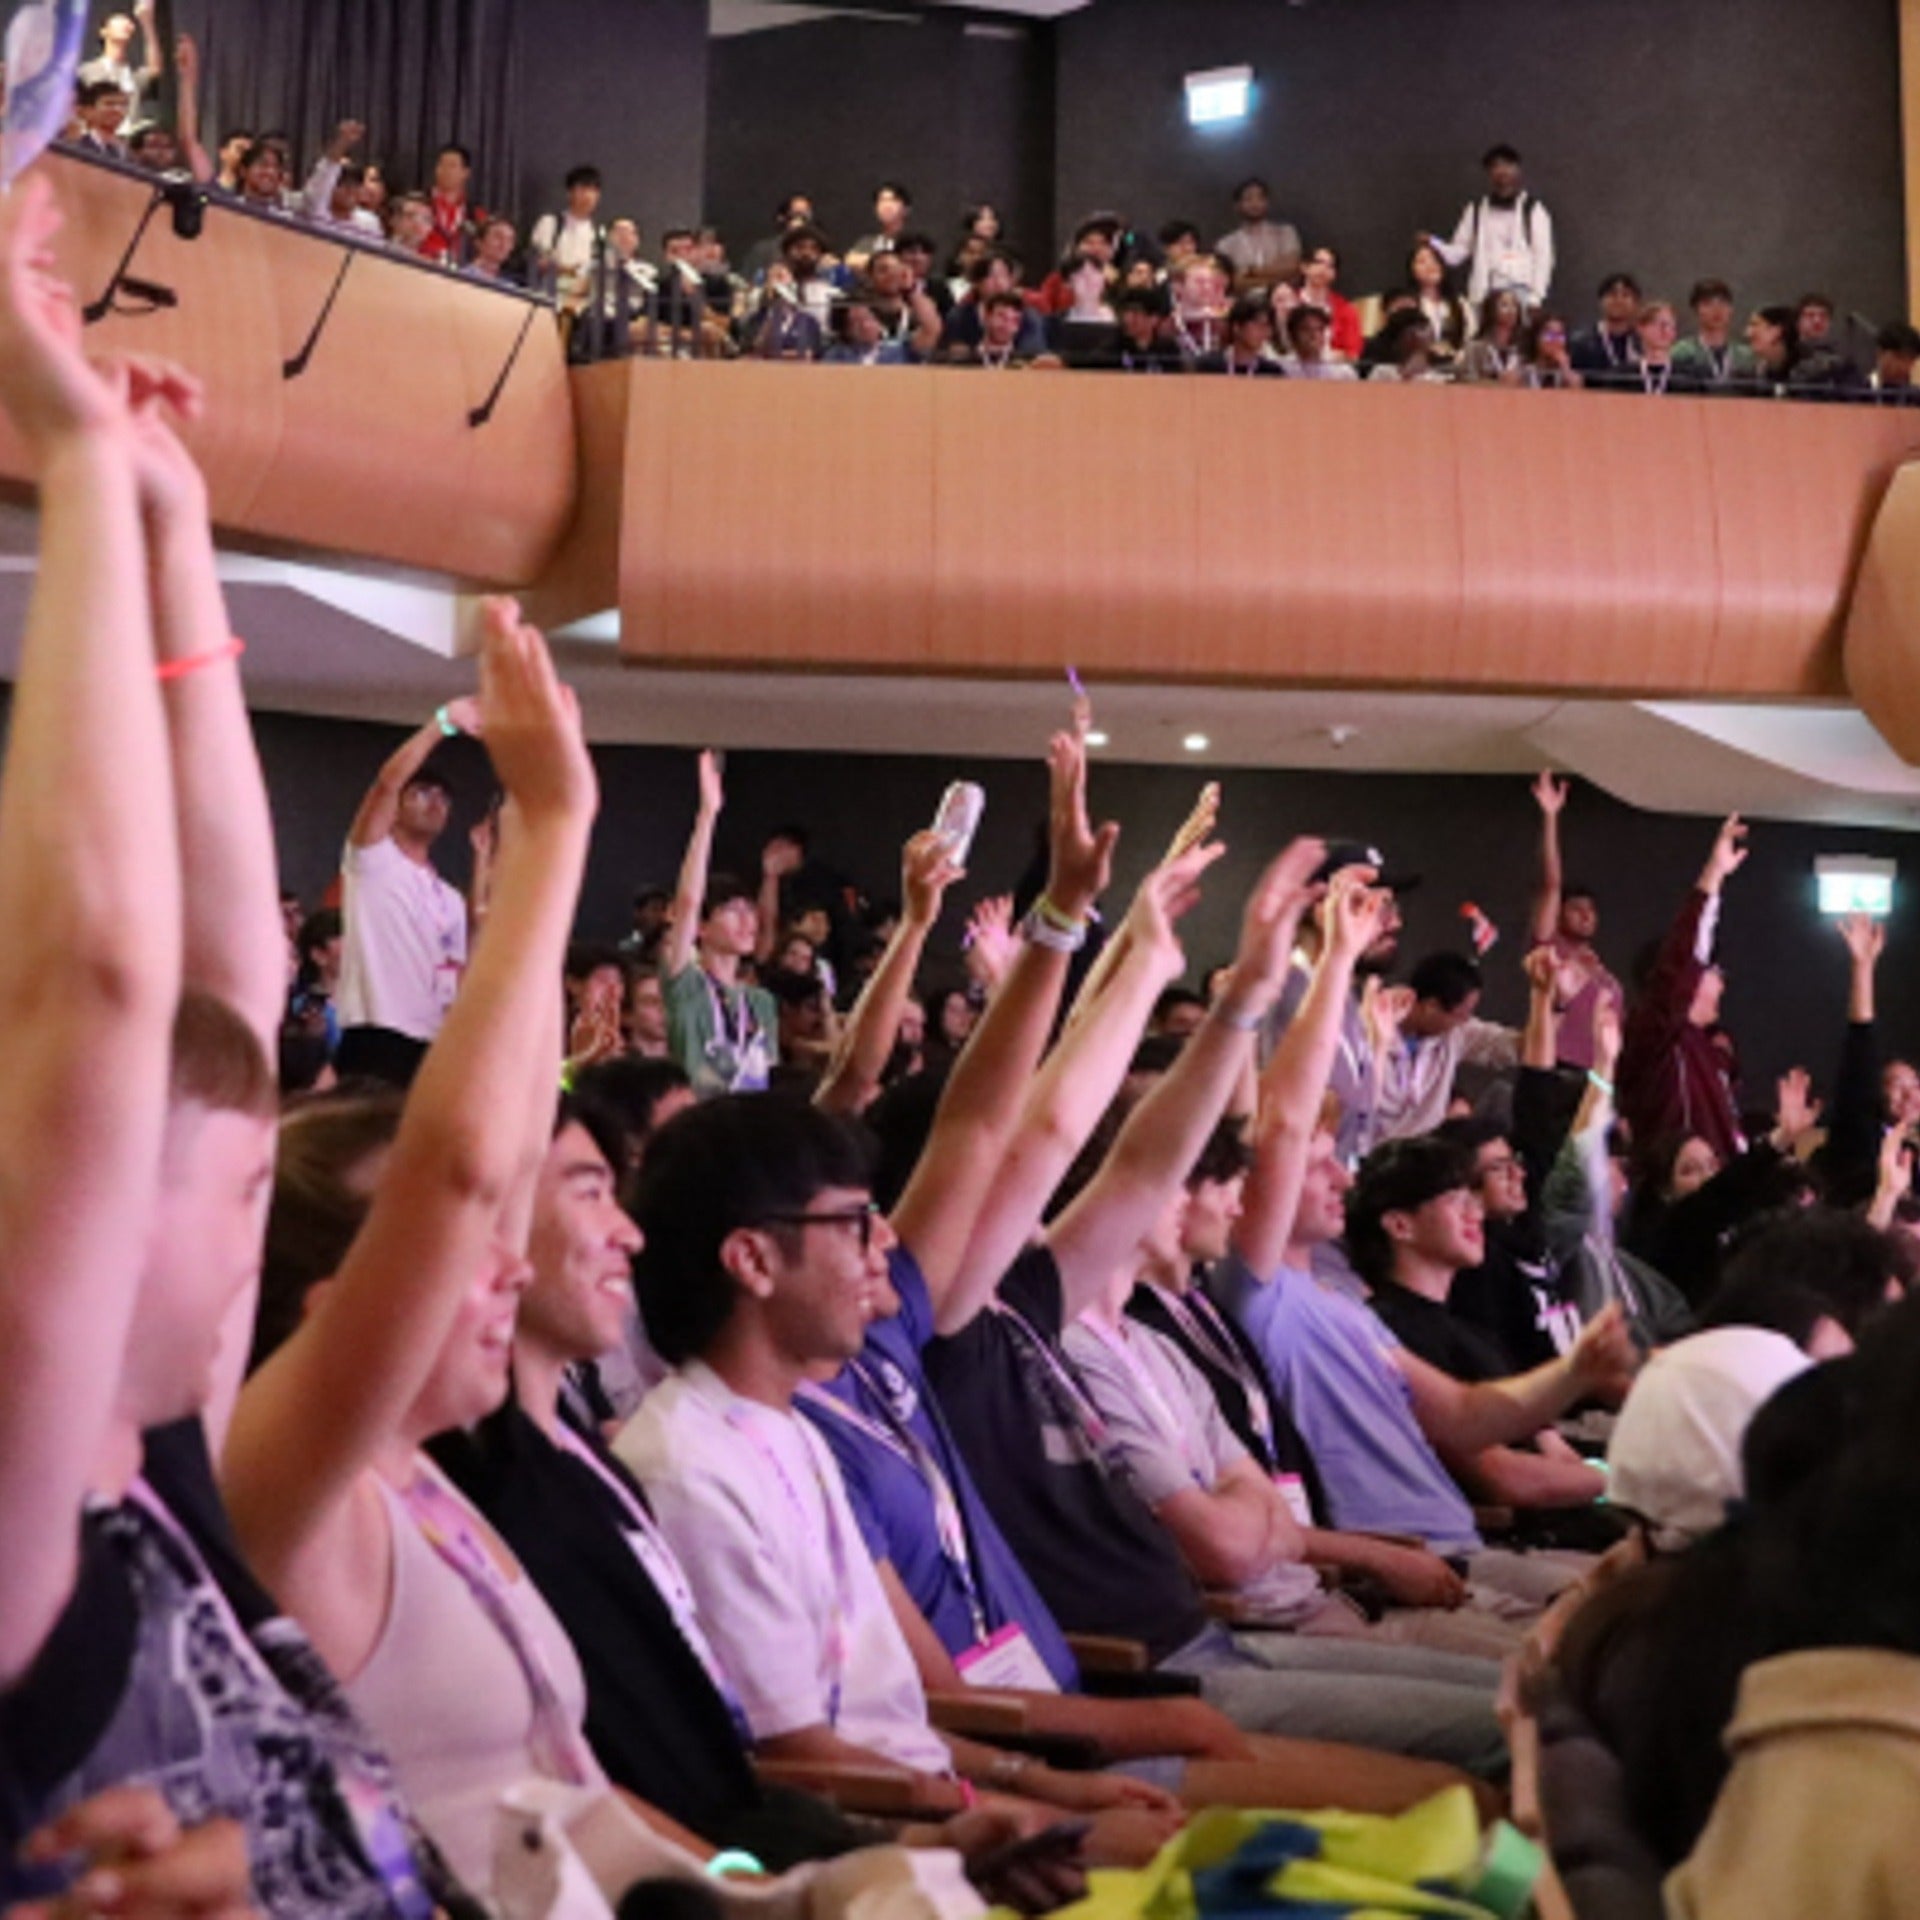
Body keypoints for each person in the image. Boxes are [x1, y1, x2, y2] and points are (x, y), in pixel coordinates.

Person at [0, 174, 471, 1917]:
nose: (253, 1218)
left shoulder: (155, 1470)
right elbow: (103, 991)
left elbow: (219, 957)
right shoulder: (21, 1531)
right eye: (224, 1183)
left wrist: (170, 531)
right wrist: (71, 480)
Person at [1214, 867, 1637, 1597]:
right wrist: (1337, 958)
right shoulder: (1258, 1291)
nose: (1344, 1176)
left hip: (1462, 1551)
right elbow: (1282, 1127)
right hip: (1405, 1569)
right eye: (1324, 1167)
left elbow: (1468, 1416)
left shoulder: (1346, 1305)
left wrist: (1576, 1373)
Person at [1347, 1136, 1614, 1525]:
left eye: (1473, 1199)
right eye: (1455, 1201)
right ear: (1400, 1225)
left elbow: (1548, 1449)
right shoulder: (1391, 1333)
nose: (1475, 1213)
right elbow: (1497, 1476)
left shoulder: (1467, 1329)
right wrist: (1623, 1478)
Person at [334, 705, 475, 1086]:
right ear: (395, 808)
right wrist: (441, 724)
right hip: (377, 1033)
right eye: (423, 793)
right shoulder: (373, 859)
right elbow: (386, 783)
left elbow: (455, 974)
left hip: (432, 1043)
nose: (435, 803)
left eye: (444, 799)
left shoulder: (451, 898)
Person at [1617, 813, 1749, 1172]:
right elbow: (1681, 959)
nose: (1721, 982)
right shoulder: (1655, 1040)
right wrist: (1713, 876)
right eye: (1713, 971)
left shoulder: (1707, 1049)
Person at [659, 750, 778, 1097]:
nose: (747, 920)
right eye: (731, 910)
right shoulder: (687, 986)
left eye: (749, 909)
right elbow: (688, 901)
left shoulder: (761, 1003)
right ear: (701, 927)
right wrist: (708, 816)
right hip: (697, 1124)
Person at [1527, 770, 1622, 1073]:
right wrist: (1551, 817)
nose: (1585, 915)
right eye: (1576, 908)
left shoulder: (1597, 966)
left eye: (1590, 910)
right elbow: (1552, 883)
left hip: (1598, 1074)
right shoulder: (1550, 947)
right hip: (1558, 1068)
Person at [1370, 950, 1518, 1145]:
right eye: (1461, 1015)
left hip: (1424, 1157)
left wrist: (1550, 1002)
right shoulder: (1367, 1029)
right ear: (1431, 1006)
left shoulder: (1455, 1033)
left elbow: (1511, 1046)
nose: (1465, 1021)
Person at [1424, 144, 1554, 310]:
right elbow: (1457, 253)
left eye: (1507, 166)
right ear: (1489, 174)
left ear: (1518, 171)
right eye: (1496, 167)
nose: (1502, 173)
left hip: (1521, 295)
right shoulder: (1476, 210)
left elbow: (1544, 257)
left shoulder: (1534, 210)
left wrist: (1536, 298)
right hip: (1484, 295)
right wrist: (1433, 242)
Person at [529, 165, 606, 313]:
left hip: (584, 306)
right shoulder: (550, 223)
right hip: (550, 300)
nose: (588, 196)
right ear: (569, 193)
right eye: (583, 189)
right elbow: (538, 261)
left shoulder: (599, 233)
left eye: (594, 191)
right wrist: (567, 270)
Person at [77, 0, 162, 131]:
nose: (126, 25)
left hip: (124, 145)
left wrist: (146, 22)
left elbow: (155, 70)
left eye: (128, 22)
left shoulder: (133, 75)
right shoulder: (86, 72)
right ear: (103, 31)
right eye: (119, 21)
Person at [1671, 279, 1759, 389]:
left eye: (1723, 303)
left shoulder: (1746, 356)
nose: (1717, 310)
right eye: (1708, 304)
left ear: (1731, 309)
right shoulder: (1681, 352)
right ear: (1696, 310)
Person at [1214, 178, 1300, 287]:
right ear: (1237, 205)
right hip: (1242, 302)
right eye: (1248, 199)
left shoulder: (1285, 233)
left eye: (1260, 198)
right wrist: (1276, 277)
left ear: (1267, 202)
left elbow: (1291, 269)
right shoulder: (1225, 245)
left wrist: (1250, 272)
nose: (1255, 203)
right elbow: (1232, 283)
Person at [1407, 243, 1471, 365]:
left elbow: (1470, 341)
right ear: (1412, 270)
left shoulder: (1460, 304)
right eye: (1422, 262)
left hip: (1454, 370)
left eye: (1435, 260)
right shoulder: (1408, 304)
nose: (1430, 266)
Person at [1296, 245, 1363, 361]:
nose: (1323, 270)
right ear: (1304, 267)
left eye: (1330, 266)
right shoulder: (1288, 301)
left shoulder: (1345, 309)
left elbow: (1353, 354)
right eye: (1318, 263)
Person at [1570, 273, 1644, 376]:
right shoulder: (1581, 342)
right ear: (1601, 301)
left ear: (1636, 304)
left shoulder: (1643, 342)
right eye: (1612, 295)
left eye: (1625, 295)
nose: (1619, 300)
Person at [1193, 293, 1283, 377]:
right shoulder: (1208, 366)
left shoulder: (1272, 372)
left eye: (1268, 326)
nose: (1265, 332)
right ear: (1237, 327)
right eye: (1258, 324)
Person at [420, 143, 479, 266]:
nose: (445, 170)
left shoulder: (476, 216)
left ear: (466, 173)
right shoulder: (419, 204)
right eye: (441, 164)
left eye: (452, 166)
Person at [1457, 290, 1526, 385]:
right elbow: (1465, 381)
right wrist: (1497, 383)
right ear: (1491, 310)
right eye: (1504, 305)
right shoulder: (1475, 348)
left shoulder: (1523, 350)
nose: (1511, 310)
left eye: (1514, 305)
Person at [848, 180, 912, 273]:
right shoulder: (867, 241)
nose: (886, 206)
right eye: (881, 201)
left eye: (892, 200)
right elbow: (850, 260)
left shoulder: (911, 242)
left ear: (906, 209)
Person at [1523, 311, 1583, 389]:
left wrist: (1565, 368)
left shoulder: (1573, 378)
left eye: (1560, 336)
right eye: (1550, 335)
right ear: (1536, 338)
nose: (1555, 340)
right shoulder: (1522, 375)